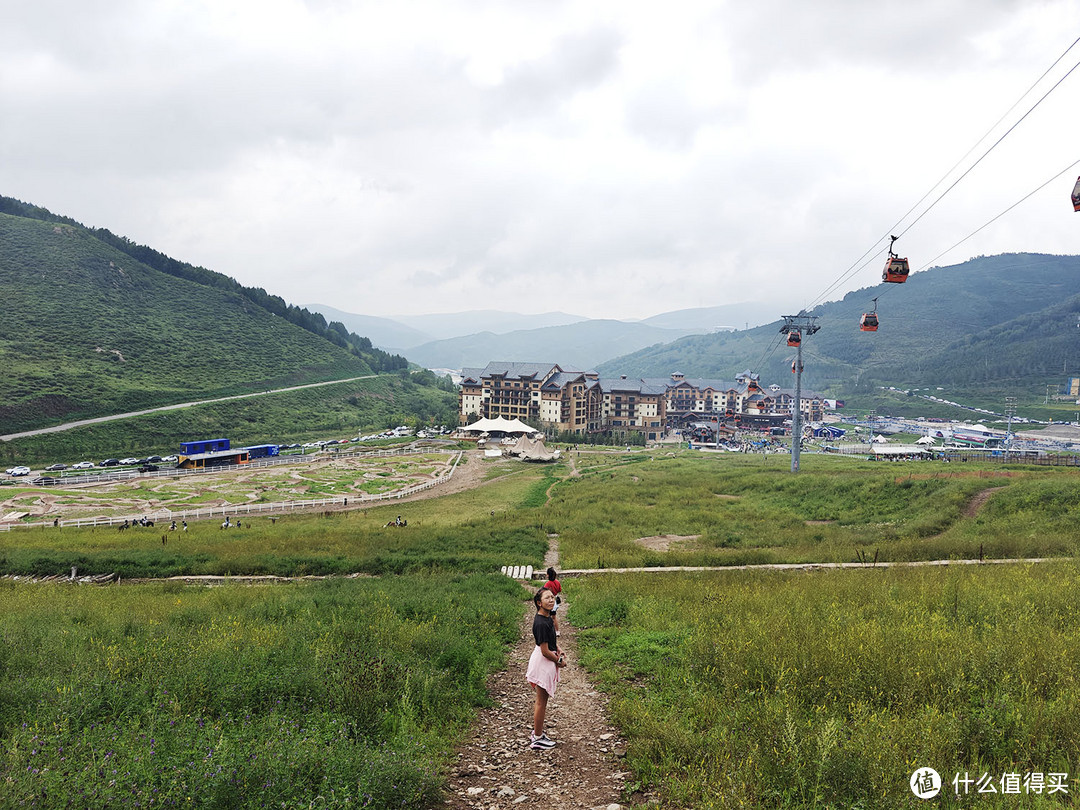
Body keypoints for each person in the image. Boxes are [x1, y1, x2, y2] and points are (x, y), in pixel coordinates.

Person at [526, 586, 566, 750]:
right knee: (541, 702)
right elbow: (544, 651)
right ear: (538, 603)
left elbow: (550, 643)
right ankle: (537, 738)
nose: (551, 600)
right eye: (547, 598)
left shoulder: (547, 618)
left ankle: (538, 734)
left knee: (542, 701)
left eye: (552, 598)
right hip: (542, 662)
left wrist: (558, 648)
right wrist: (559, 661)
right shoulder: (541, 623)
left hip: (546, 660)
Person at [543, 567, 562, 635]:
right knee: (554, 617)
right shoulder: (557, 582)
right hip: (555, 601)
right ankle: (557, 631)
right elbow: (559, 590)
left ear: (548, 575)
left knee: (548, 616)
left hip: (550, 601)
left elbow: (544, 591)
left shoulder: (548, 584)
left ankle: (551, 631)